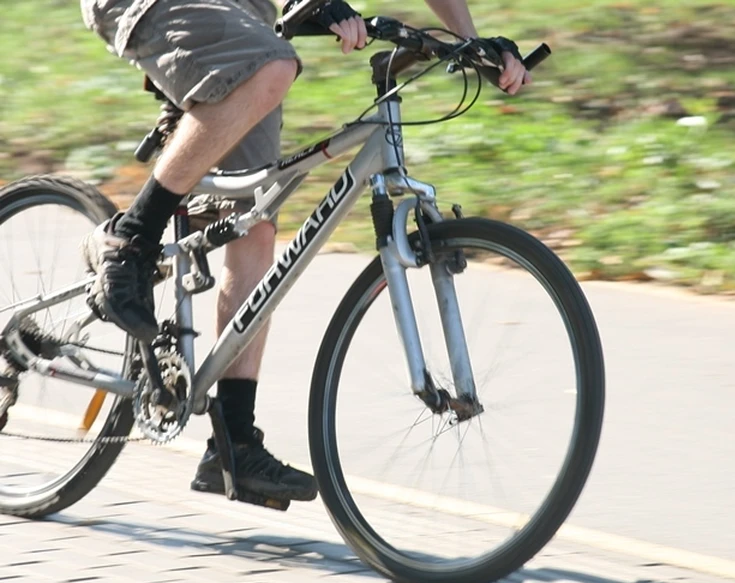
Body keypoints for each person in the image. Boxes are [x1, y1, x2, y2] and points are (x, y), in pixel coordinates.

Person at [78, 0, 531, 504]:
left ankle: (234, 441)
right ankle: (131, 240)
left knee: (253, 223)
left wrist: (473, 41)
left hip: (241, 12)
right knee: (273, 67)